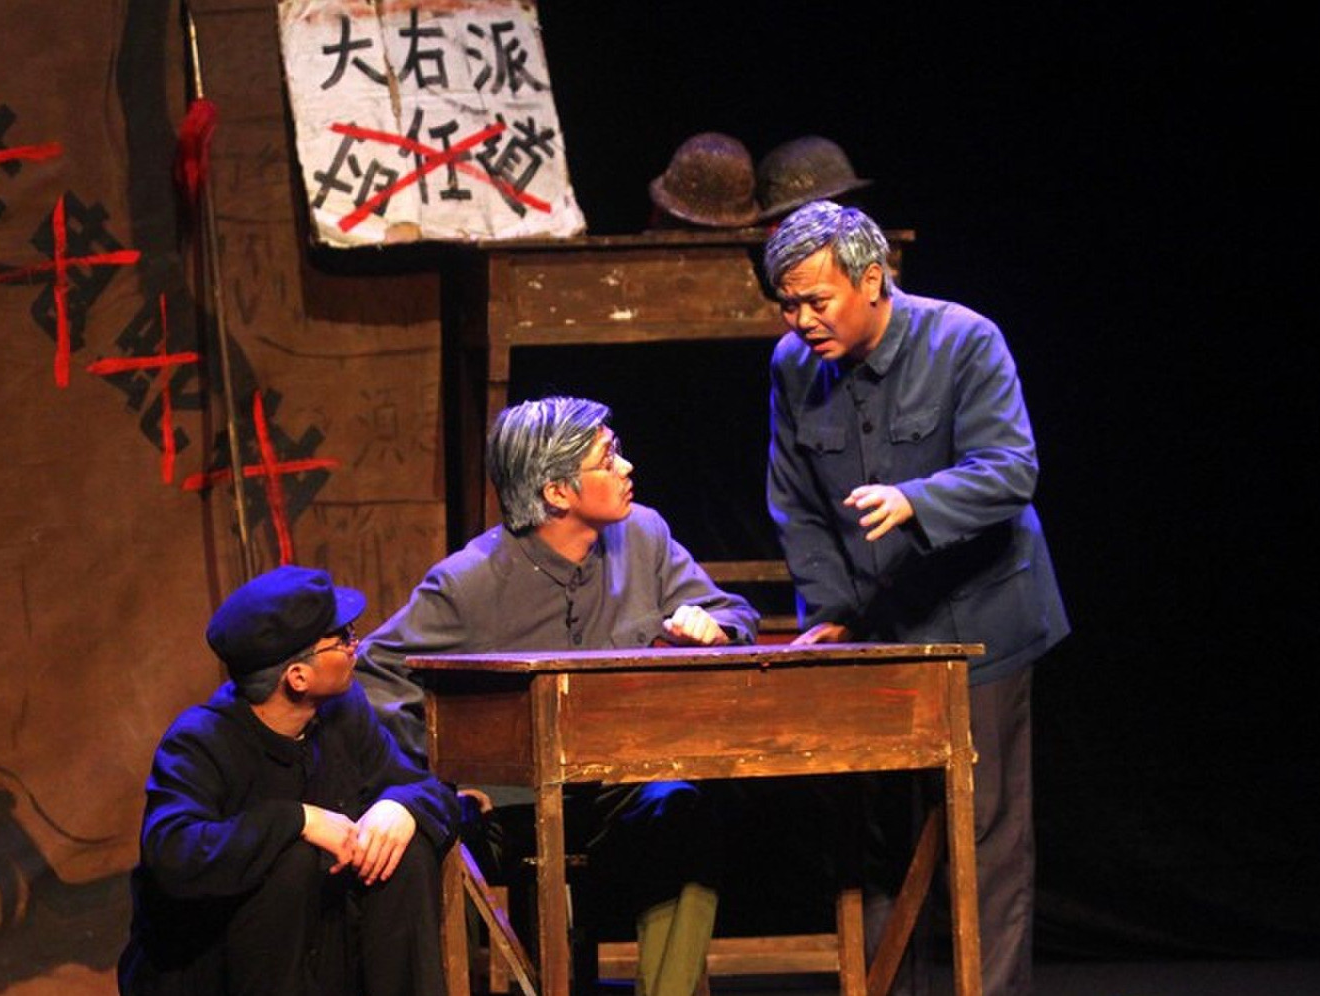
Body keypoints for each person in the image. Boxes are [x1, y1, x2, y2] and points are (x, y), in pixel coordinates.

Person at [762, 199, 1070, 996]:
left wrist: (916, 500)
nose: (801, 321)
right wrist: (832, 611)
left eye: (815, 301)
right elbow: (795, 503)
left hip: (981, 620)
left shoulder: (964, 340)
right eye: (787, 305)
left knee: (982, 834)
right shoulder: (792, 367)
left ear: (871, 280)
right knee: (875, 840)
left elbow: (1010, 469)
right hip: (877, 624)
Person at [357, 395, 760, 996]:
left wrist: (715, 626)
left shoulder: (643, 536)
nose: (626, 468)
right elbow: (374, 677)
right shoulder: (468, 582)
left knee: (684, 810)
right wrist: (442, 771)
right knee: (433, 842)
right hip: (509, 805)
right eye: (609, 458)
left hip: (613, 794)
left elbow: (733, 611)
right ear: (556, 492)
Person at [117, 566, 460, 996]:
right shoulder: (200, 742)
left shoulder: (342, 714)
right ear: (298, 677)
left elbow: (427, 788)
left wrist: (401, 806)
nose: (355, 645)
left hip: (322, 958)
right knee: (291, 860)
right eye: (342, 638)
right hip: (219, 969)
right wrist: (297, 820)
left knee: (402, 849)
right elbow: (173, 854)